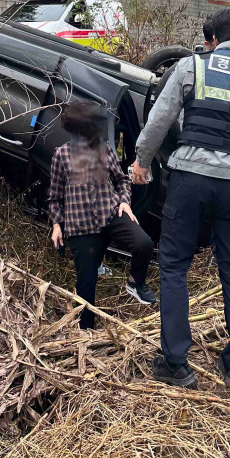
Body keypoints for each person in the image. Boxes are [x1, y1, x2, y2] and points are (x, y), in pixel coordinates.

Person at [132, 7, 230, 391]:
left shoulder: (191, 67)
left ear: (213, 38)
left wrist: (141, 162)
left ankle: (176, 363)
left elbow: (160, 118)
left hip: (189, 179)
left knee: (173, 266)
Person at [49, 102, 157, 330]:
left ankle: (135, 283)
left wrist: (125, 202)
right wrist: (57, 224)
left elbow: (121, 180)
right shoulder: (62, 155)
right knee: (86, 287)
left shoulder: (104, 149)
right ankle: (86, 334)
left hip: (111, 215)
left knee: (144, 244)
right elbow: (55, 196)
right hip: (81, 228)